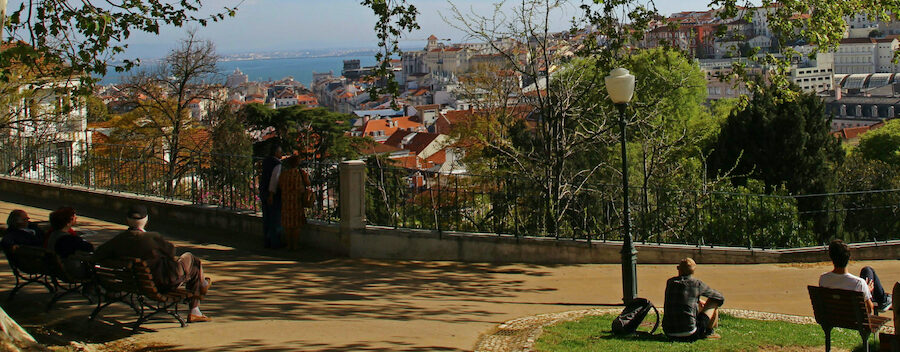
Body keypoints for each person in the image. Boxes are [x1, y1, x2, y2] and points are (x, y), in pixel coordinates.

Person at [93, 205, 212, 323]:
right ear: (146, 220)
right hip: (163, 282)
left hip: (138, 283)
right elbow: (171, 252)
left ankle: (202, 285)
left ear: (127, 220)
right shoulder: (152, 238)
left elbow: (98, 254)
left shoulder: (119, 240)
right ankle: (197, 300)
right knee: (192, 260)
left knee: (191, 265)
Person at [819, 239, 891, 314]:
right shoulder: (859, 283)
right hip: (855, 320)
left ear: (831, 257)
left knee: (867, 270)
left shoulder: (823, 278)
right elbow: (869, 310)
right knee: (868, 270)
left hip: (833, 317)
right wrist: (866, 291)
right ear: (848, 257)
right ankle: (883, 300)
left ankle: (884, 299)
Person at [663, 258, 725, 341]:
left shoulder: (670, 282)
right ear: (693, 271)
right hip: (689, 333)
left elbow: (682, 297)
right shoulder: (696, 284)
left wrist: (697, 300)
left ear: (678, 268)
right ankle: (709, 332)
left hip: (669, 332)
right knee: (713, 300)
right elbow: (719, 297)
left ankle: (707, 330)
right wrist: (704, 303)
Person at [46, 207, 94, 279]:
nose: (76, 218)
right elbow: (89, 247)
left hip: (55, 269)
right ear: (69, 221)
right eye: (74, 216)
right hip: (71, 270)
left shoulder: (52, 235)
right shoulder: (68, 239)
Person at [279, 156, 311, 250]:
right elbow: (308, 183)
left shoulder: (284, 174)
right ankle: (295, 245)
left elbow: (280, 185)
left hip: (286, 200)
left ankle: (289, 245)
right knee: (296, 225)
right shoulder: (301, 173)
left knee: (288, 225)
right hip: (297, 201)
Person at [260, 142, 284, 248]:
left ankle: (267, 240)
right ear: (276, 152)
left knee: (266, 218)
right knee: (275, 218)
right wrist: (271, 194)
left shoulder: (266, 162)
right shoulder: (277, 164)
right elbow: (274, 180)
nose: (282, 154)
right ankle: (275, 243)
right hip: (272, 194)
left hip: (263, 191)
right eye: (280, 152)